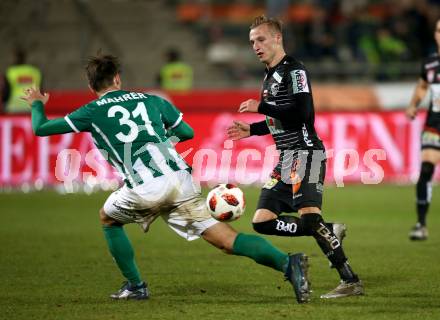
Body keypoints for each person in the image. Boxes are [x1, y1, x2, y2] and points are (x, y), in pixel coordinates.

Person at [21, 53, 311, 303]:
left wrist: (36, 103)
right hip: (180, 180)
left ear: (91, 85)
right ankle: (289, 264)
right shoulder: (152, 100)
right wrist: (162, 142)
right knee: (226, 241)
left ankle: (135, 286)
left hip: (146, 188)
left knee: (108, 219)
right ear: (118, 79)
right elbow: (187, 133)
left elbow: (41, 128)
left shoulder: (91, 111)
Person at [227, 15, 363, 299]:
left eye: (261, 39)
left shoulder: (295, 71)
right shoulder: (268, 76)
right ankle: (330, 230)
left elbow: (303, 115)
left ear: (277, 38)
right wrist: (252, 129)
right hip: (286, 160)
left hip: (307, 154)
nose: (255, 46)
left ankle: (350, 280)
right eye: (252, 42)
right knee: (262, 221)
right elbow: (282, 120)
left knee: (310, 216)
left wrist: (260, 106)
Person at [406, 18, 440, 241]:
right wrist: (413, 104)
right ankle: (421, 224)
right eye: (438, 30)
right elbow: (422, 86)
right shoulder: (430, 63)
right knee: (426, 170)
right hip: (434, 123)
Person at [2, 47, 42, 113]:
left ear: (14, 58)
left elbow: (6, 91)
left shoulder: (10, 72)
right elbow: (40, 91)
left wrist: (3, 103)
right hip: (32, 107)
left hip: (14, 107)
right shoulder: (35, 71)